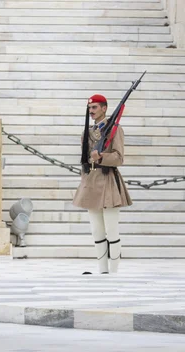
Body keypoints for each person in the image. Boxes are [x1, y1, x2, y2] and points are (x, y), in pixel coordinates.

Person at [73, 94, 132, 275]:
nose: (91, 112)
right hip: (91, 182)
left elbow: (119, 158)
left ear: (104, 108)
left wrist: (102, 157)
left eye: (95, 108)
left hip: (107, 182)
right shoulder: (87, 132)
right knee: (97, 231)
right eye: (90, 108)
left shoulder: (114, 129)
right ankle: (102, 271)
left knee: (112, 231)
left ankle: (114, 272)